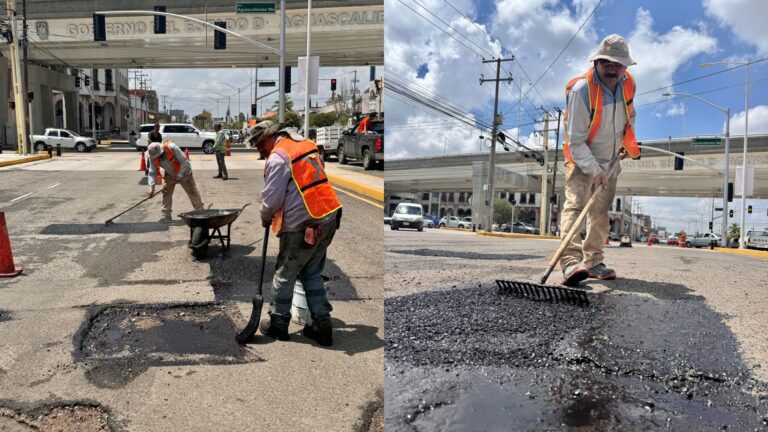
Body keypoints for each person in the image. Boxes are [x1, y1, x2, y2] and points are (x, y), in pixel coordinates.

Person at [245, 120, 342, 346]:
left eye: (260, 145)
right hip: (327, 217)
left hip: (302, 224)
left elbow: (271, 200)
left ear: (270, 137)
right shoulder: (306, 145)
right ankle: (322, 323)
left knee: (285, 273)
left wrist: (265, 216)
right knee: (311, 273)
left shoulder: (279, 156)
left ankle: (278, 323)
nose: (261, 151)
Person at [559, 34, 640, 285]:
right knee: (575, 208)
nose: (613, 68)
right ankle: (571, 263)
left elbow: (630, 113)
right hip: (582, 160)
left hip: (610, 160)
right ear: (597, 62)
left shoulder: (628, 83)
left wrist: (624, 143)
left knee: (600, 212)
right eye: (607, 62)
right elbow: (575, 141)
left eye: (618, 63)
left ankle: (594, 261)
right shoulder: (582, 90)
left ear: (625, 66)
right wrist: (595, 170)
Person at [146, 141, 204, 220]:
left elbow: (185, 162)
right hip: (170, 174)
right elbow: (152, 172)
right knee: (166, 192)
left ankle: (199, 211)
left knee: (192, 191)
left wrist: (180, 175)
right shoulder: (152, 156)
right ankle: (166, 215)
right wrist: (151, 188)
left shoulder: (171, 147)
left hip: (184, 172)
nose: (158, 157)